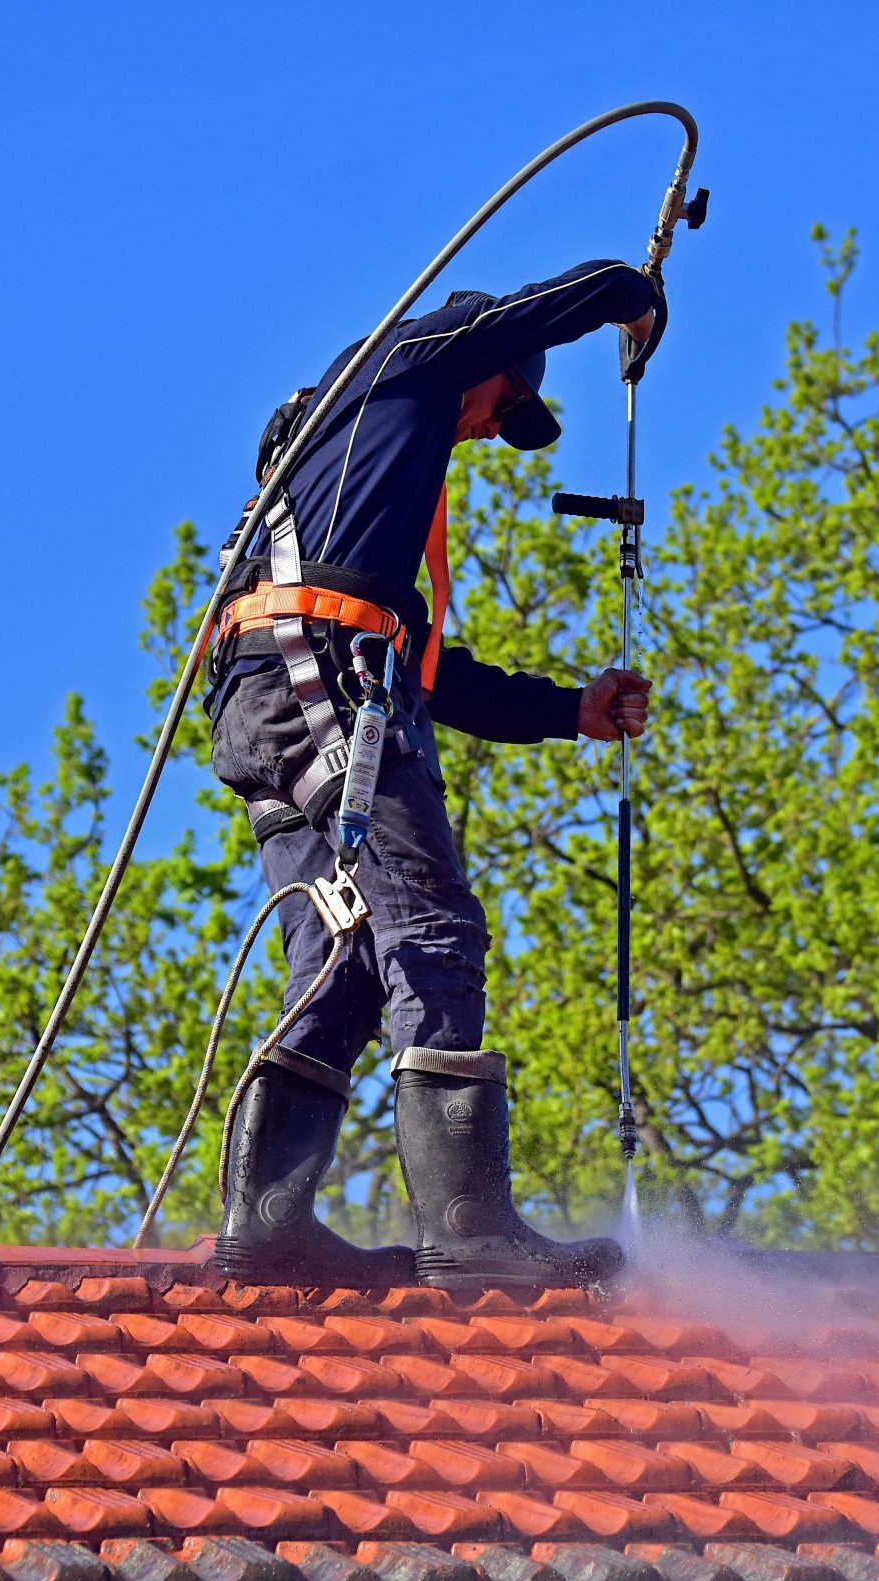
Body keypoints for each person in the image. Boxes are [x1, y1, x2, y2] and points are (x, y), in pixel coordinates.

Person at [203, 259, 664, 1291]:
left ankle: (267, 1224)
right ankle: (467, 1229)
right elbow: (531, 311)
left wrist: (569, 711)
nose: (495, 430)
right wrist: (627, 293)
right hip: (317, 688)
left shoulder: (353, 479)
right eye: (507, 404)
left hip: (270, 698)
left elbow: (423, 671)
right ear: (482, 359)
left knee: (346, 958)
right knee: (433, 928)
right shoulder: (402, 364)